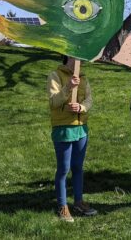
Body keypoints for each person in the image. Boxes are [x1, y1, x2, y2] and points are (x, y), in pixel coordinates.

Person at [47, 55, 97, 222]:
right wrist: (68, 87)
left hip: (81, 129)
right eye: (78, 58)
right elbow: (54, 102)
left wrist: (82, 107)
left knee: (77, 167)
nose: (81, 62)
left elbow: (89, 100)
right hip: (63, 128)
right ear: (68, 56)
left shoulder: (84, 78)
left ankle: (78, 201)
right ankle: (62, 206)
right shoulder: (55, 75)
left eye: (83, 59)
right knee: (63, 169)